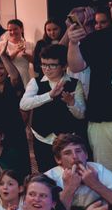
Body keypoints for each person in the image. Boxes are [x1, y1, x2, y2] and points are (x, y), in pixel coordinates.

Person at [67, 0, 112, 179]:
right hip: (103, 121)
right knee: (110, 179)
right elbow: (76, 66)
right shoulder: (99, 38)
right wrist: (73, 42)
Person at [20, 44, 86, 173]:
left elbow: (82, 114)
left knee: (70, 173)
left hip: (67, 140)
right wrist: (49, 95)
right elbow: (24, 104)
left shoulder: (74, 84)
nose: (46, 69)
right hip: (42, 138)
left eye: (52, 65)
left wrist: (72, 103)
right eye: (44, 64)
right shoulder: (36, 82)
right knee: (47, 175)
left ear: (64, 66)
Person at [0, 18, 34, 84]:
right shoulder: (2, 44)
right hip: (9, 77)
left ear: (21, 29)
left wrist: (26, 55)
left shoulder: (29, 44)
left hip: (25, 76)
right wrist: (16, 51)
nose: (13, 32)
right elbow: (1, 62)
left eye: (15, 29)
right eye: (10, 30)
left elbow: (34, 61)